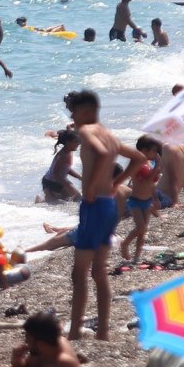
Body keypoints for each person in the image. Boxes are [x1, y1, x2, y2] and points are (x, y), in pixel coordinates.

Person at [65, 89, 145, 341]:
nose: (72, 116)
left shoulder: (88, 131)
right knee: (99, 271)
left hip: (94, 206)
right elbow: (140, 157)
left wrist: (89, 188)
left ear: (86, 111)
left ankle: (76, 331)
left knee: (79, 274)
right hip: (109, 205)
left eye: (74, 111)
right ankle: (103, 331)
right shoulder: (110, 134)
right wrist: (116, 182)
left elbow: (100, 154)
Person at [120, 136, 163, 262]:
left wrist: (155, 198)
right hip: (136, 201)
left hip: (147, 200)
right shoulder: (137, 163)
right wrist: (157, 167)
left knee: (143, 232)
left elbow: (151, 184)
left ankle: (137, 256)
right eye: (154, 151)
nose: (156, 154)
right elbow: (146, 180)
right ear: (144, 150)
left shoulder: (148, 163)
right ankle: (125, 244)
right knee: (141, 228)